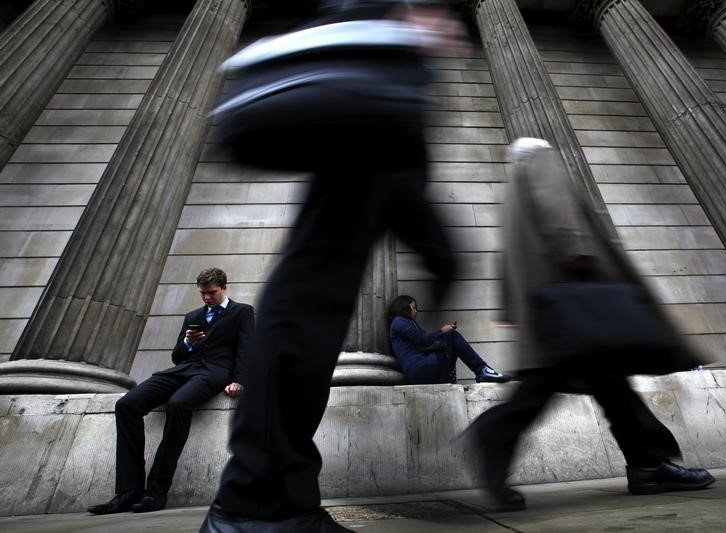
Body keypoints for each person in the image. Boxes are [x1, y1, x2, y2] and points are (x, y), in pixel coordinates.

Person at [200, 2, 466, 531]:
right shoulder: (381, 63)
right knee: (289, 372)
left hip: (323, 279)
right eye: (440, 14)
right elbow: (407, 187)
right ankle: (249, 514)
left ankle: (281, 509)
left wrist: (444, 261)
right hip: (311, 282)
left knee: (300, 381)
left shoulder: (388, 82)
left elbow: (403, 186)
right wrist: (445, 263)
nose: (452, 29)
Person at [465, 138, 715, 511]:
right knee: (548, 387)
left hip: (545, 307)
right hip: (569, 296)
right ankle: (492, 433)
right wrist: (577, 251)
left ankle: (649, 465)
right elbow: (559, 210)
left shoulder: (511, 190)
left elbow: (503, 257)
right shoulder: (541, 157)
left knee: (610, 386)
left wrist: (509, 310)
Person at [88, 267, 254, 515]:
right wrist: (188, 342)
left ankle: (156, 490)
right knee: (126, 405)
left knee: (178, 404)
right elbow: (177, 357)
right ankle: (128, 492)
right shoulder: (193, 316)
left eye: (211, 293)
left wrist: (240, 380)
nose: (207, 298)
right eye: (202, 294)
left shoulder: (242, 312)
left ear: (224, 287)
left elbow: (246, 348)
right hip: (183, 370)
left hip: (214, 372)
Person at [387, 295, 509, 384]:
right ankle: (482, 370)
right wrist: (443, 331)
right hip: (419, 370)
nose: (416, 310)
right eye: (413, 307)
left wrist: (443, 340)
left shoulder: (407, 323)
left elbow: (424, 344)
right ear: (404, 306)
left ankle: (480, 371)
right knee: (452, 335)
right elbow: (422, 341)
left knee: (452, 342)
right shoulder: (398, 321)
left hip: (422, 369)